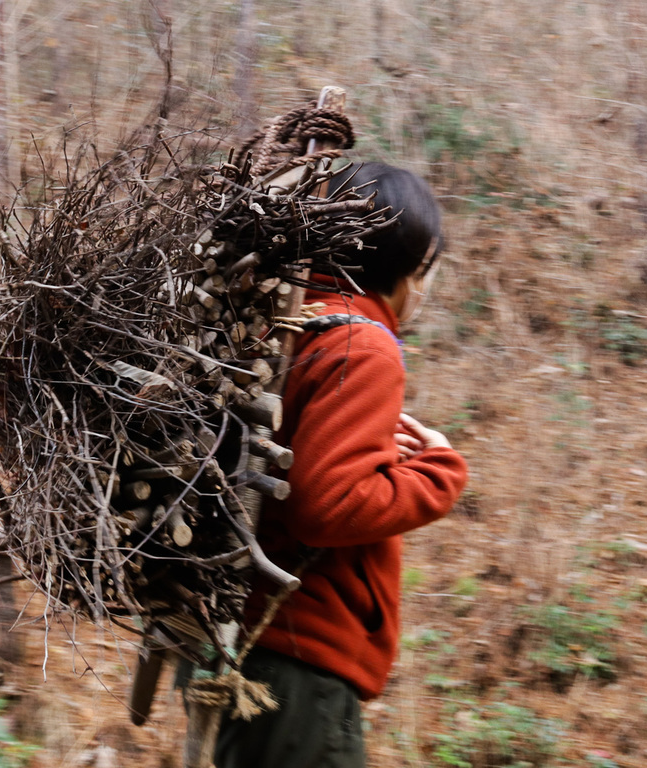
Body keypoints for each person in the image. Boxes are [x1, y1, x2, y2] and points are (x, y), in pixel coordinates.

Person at [214, 162, 469, 768]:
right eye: (427, 270)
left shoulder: (290, 320)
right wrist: (439, 471)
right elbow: (327, 506)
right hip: (298, 662)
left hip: (248, 642)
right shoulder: (364, 344)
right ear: (407, 265)